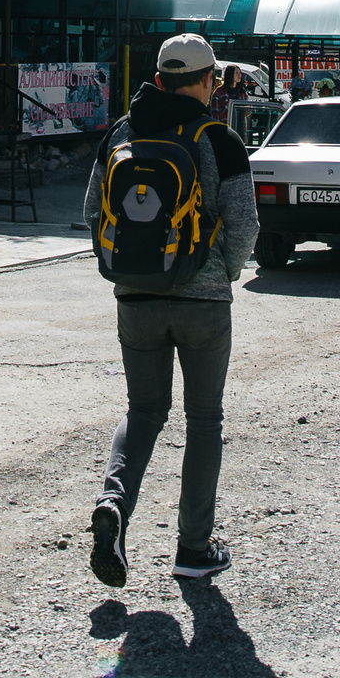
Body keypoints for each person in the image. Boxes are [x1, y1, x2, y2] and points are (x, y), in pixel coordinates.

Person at [88, 32, 257, 588]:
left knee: (143, 411)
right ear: (208, 81)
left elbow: (94, 211)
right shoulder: (220, 139)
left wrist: (128, 267)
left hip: (135, 296)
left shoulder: (122, 132)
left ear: (158, 78)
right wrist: (224, 273)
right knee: (204, 420)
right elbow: (245, 225)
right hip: (203, 301)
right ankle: (192, 547)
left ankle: (114, 504)